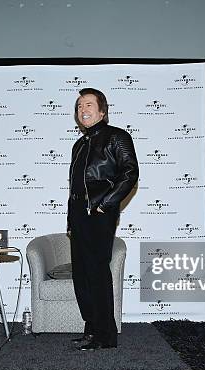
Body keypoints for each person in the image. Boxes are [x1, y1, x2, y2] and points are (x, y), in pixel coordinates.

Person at [67, 88, 139, 350]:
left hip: (98, 214)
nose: (82, 110)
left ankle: (105, 336)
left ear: (102, 111)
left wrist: (105, 205)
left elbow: (130, 173)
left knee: (97, 274)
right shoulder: (79, 144)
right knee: (82, 275)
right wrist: (70, 220)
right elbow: (75, 187)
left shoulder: (117, 137)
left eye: (88, 104)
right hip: (78, 216)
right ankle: (91, 329)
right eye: (78, 107)